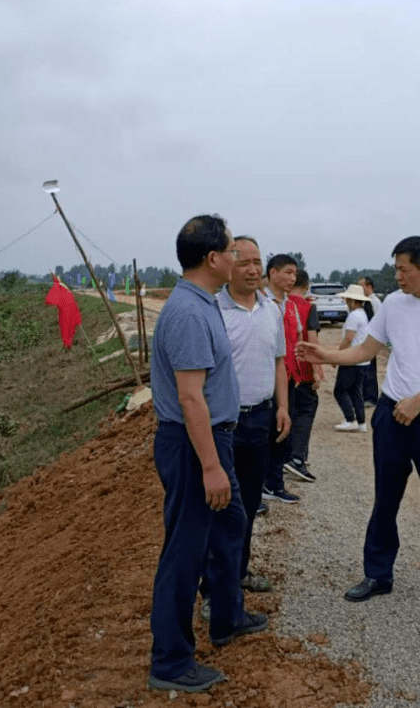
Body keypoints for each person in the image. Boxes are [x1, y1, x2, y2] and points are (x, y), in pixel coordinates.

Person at [298, 236, 420, 616]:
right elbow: (365, 351)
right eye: (396, 268)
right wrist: (325, 355)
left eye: (404, 269)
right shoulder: (394, 304)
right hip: (392, 414)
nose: (397, 276)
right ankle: (377, 574)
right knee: (386, 497)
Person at [146, 215, 268, 694]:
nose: (239, 259)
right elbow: (191, 397)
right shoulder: (191, 313)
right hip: (196, 444)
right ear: (213, 258)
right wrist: (212, 466)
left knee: (232, 521)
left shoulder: (203, 302)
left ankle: (226, 616)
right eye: (233, 250)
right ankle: (171, 661)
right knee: (185, 549)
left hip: (214, 439)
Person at [206, 236, 291, 599]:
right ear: (227, 265)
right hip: (223, 426)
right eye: (244, 262)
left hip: (260, 420)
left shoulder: (272, 309)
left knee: (250, 504)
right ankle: (212, 590)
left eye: (257, 262)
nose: (253, 270)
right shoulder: (213, 311)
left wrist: (283, 407)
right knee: (220, 510)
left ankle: (237, 573)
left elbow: (279, 362)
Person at [262, 258, 320, 496]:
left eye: (295, 274)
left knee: (283, 428)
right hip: (268, 376)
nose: (292, 278)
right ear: (273, 273)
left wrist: (297, 370)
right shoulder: (262, 303)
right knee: (267, 431)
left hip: (287, 376)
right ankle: (265, 484)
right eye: (287, 273)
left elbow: (296, 341)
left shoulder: (291, 306)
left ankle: (274, 483)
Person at [332, 284, 374, 432]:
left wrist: (337, 356)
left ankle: (350, 419)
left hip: (351, 359)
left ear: (351, 300)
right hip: (362, 360)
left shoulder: (354, 316)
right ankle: (361, 422)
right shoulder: (363, 314)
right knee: (356, 391)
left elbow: (348, 339)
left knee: (340, 391)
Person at [358, 276, 381, 405]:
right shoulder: (366, 301)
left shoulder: (374, 302)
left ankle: (371, 397)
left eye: (361, 286)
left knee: (370, 369)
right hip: (366, 339)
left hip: (372, 339)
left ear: (368, 286)